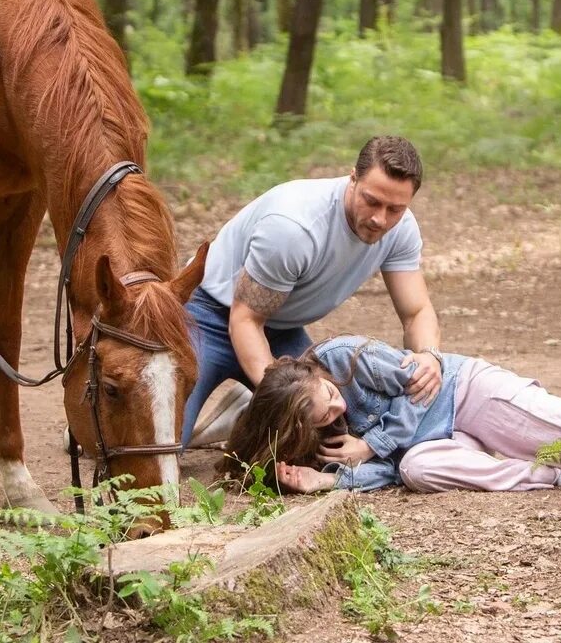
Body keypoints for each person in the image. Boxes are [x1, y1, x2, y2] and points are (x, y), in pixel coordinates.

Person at [181, 135, 442, 448]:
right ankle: (254, 404)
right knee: (161, 445)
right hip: (207, 317)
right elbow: (246, 320)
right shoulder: (294, 227)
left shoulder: (401, 230)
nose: (380, 219)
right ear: (352, 178)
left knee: (339, 430)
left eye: (395, 209)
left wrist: (429, 357)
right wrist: (284, 396)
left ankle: (245, 411)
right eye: (371, 201)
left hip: (281, 330)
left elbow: (416, 313)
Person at [223, 335, 561, 494]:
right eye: (324, 416)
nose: (338, 408)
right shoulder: (316, 441)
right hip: (439, 442)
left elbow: (422, 389)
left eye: (332, 396)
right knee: (417, 469)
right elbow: (391, 472)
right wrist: (331, 480)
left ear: (317, 376)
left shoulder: (343, 357)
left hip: (464, 393)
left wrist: (373, 443)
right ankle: (554, 476)